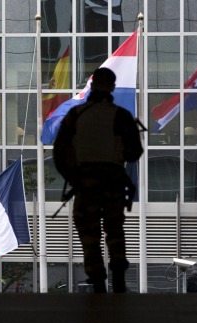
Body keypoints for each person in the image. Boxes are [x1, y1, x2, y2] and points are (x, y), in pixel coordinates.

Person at [53, 67, 143, 293]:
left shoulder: (75, 115)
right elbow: (134, 152)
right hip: (112, 182)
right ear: (112, 87)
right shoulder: (121, 116)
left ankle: (98, 281)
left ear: (92, 85)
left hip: (85, 184)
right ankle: (119, 280)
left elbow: (59, 152)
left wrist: (74, 177)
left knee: (89, 234)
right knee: (114, 230)